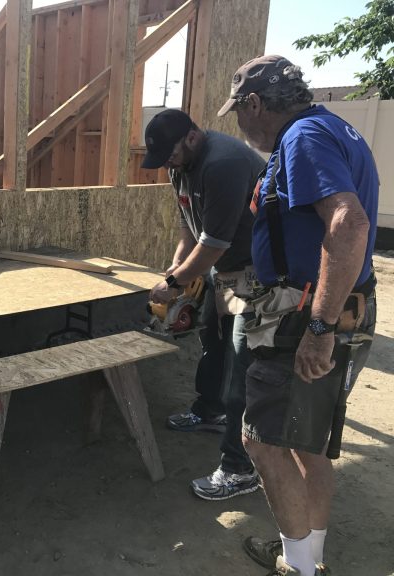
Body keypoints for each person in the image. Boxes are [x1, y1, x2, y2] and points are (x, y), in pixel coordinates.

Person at [218, 55, 378, 576]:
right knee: (307, 445)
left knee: (262, 442)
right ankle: (308, 558)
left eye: (238, 111)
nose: (239, 124)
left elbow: (348, 224)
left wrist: (319, 328)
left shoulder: (303, 138)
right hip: (338, 306)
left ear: (255, 104)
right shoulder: (334, 128)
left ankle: (299, 568)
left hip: (307, 314)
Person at [142, 109, 265, 500]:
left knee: (242, 363)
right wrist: (177, 266)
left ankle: (240, 469)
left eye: (171, 155)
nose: (168, 164)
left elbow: (213, 243)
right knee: (212, 340)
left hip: (258, 273)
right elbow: (188, 227)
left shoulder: (223, 163)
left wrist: (173, 283)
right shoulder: (179, 166)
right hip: (224, 269)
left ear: (192, 137)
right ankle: (209, 409)